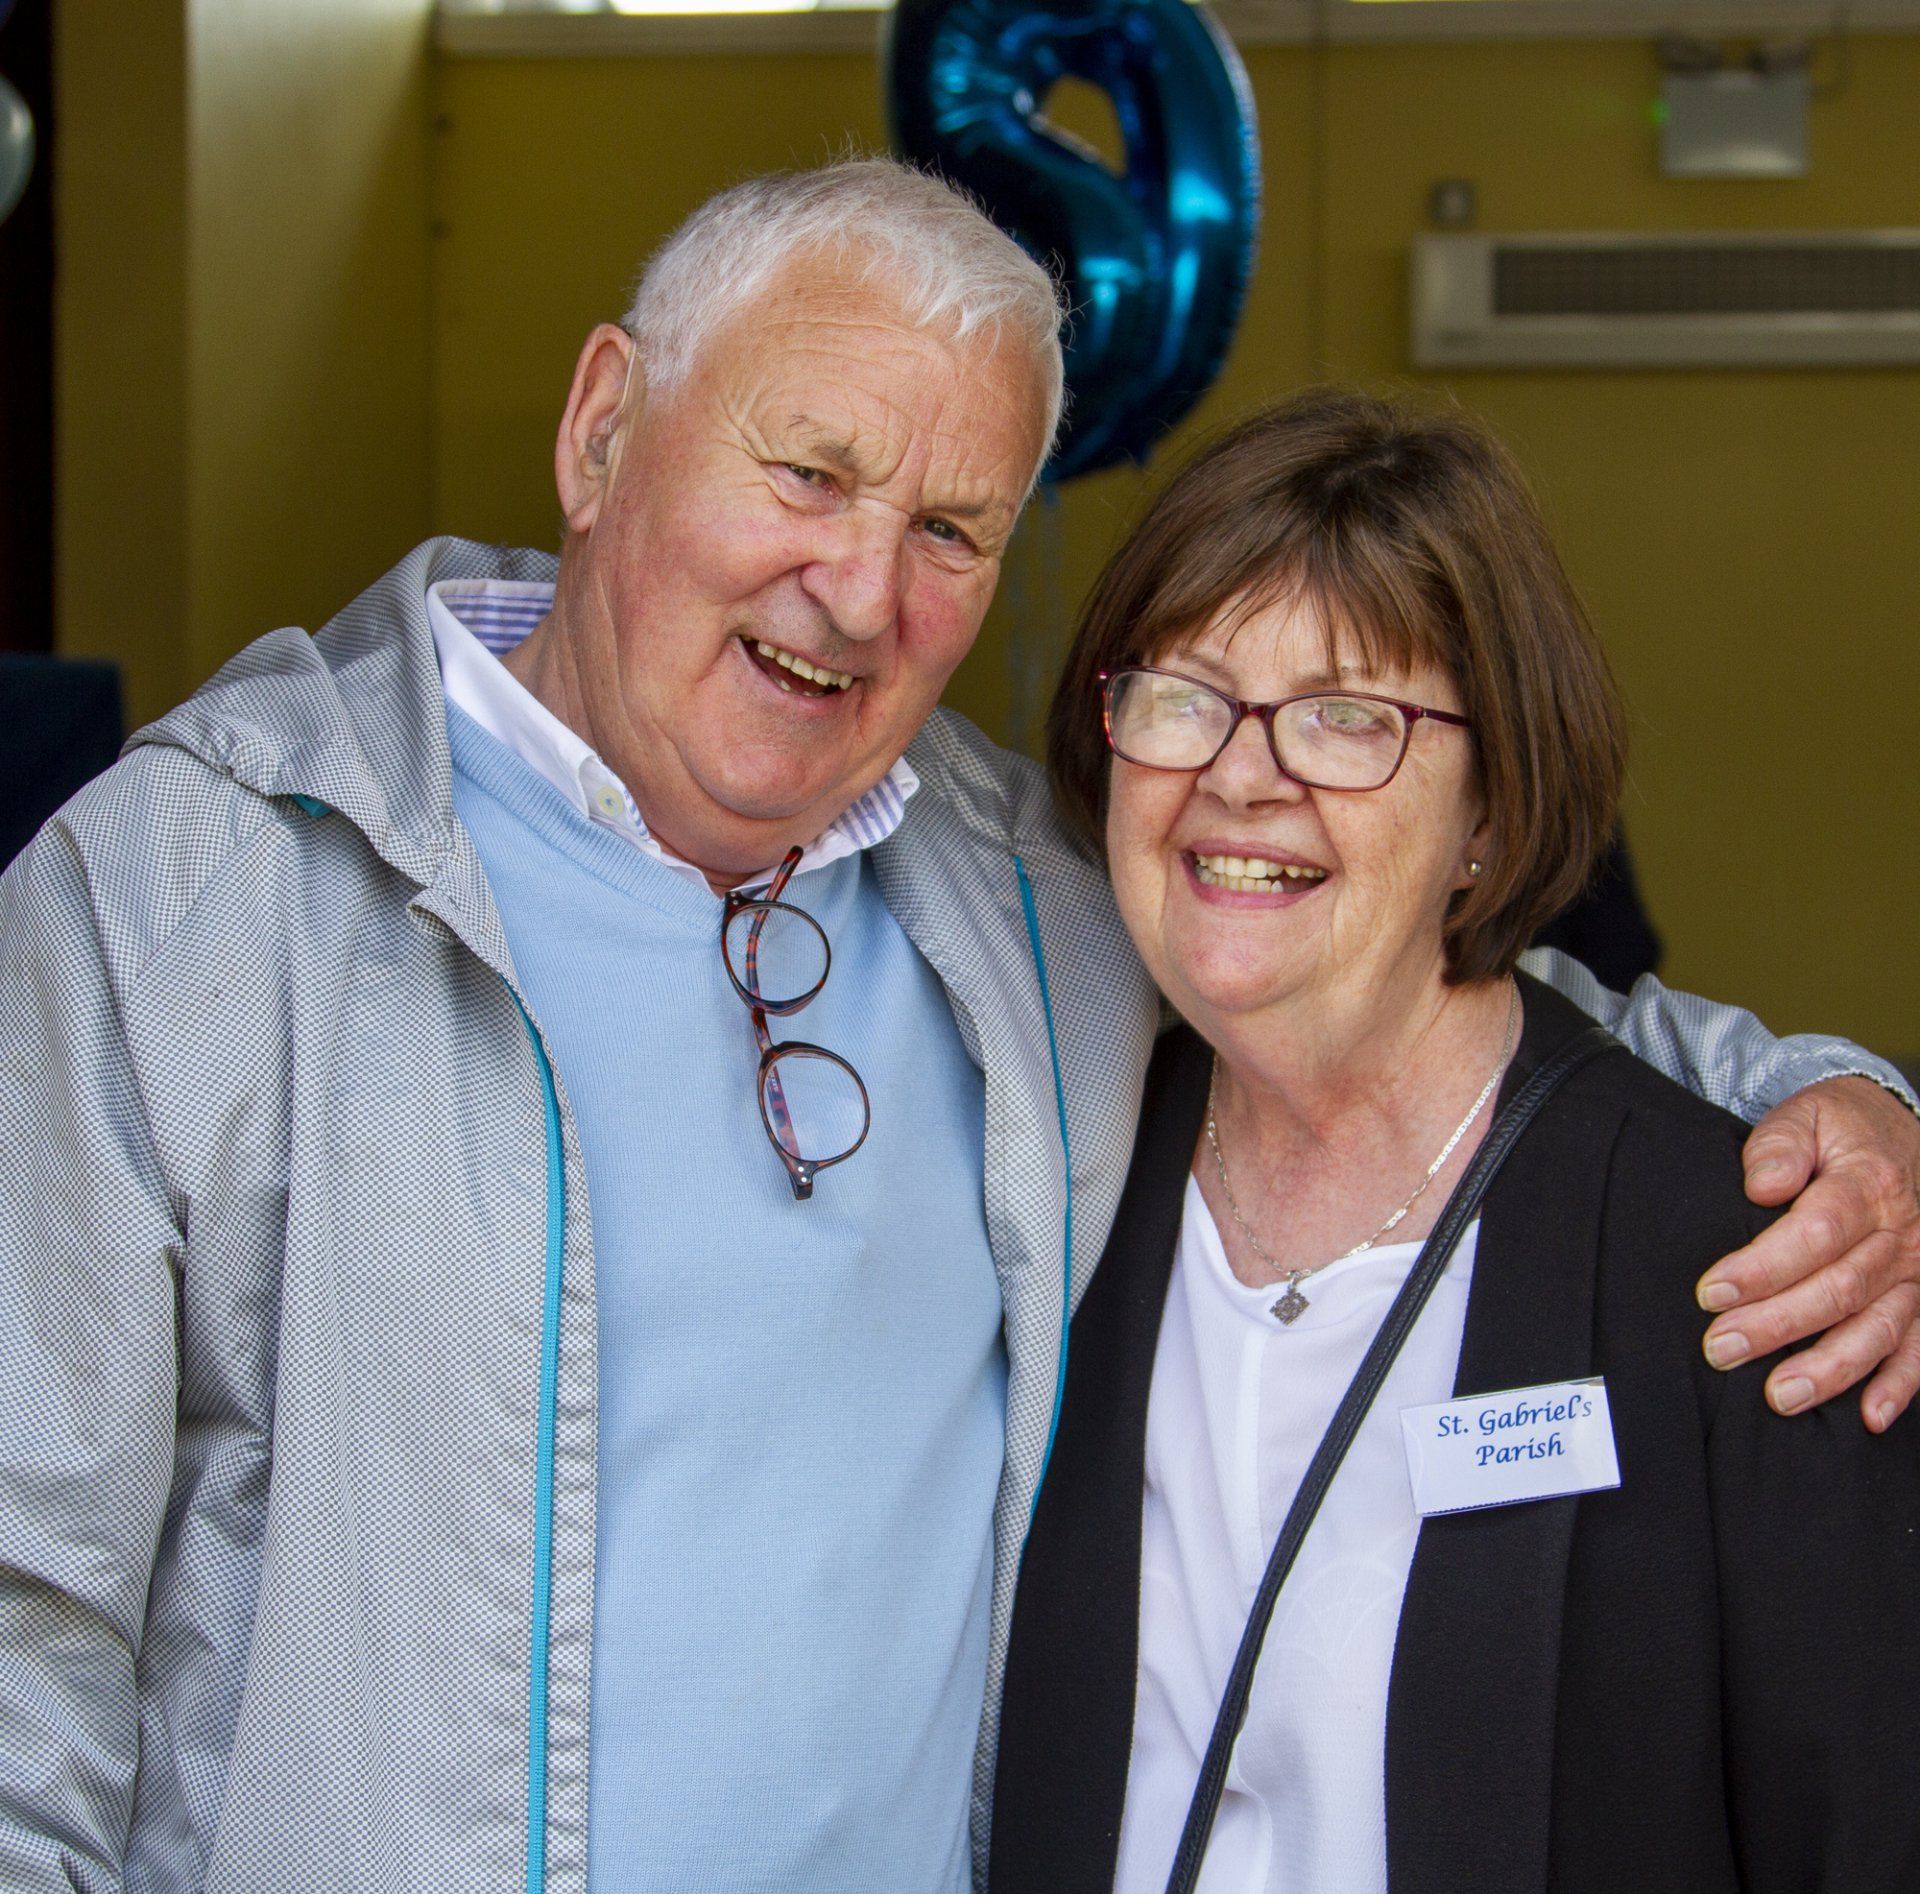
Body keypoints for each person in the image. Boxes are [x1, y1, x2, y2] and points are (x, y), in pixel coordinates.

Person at [0, 162, 1915, 1893]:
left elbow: (1397, 986)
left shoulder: (1021, 899)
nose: (858, 588)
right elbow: (27, 1621)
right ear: (602, 429)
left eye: (950, 526)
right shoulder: (186, 892)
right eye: (808, 473)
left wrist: (1837, 1100)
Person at [991, 389, 1920, 1892]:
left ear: (1491, 813)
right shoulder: (1049, 1176)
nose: (1241, 774)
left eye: (1347, 717)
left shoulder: (1750, 1268)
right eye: (1182, 694)